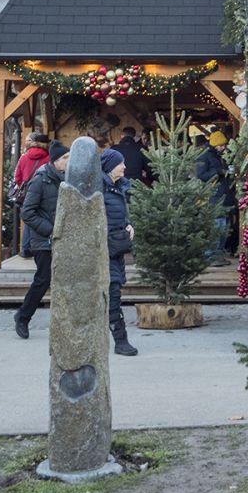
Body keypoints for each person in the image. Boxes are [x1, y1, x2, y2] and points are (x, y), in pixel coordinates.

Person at [13, 141, 70, 340]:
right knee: (43, 280)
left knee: (64, 280)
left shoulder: (65, 178)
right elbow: (27, 212)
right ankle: (23, 317)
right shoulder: (40, 180)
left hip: (63, 239)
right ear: (55, 161)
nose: (68, 161)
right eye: (65, 158)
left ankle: (65, 324)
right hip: (44, 241)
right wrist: (51, 230)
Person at [100, 149, 138, 357]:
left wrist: (128, 224)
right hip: (102, 250)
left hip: (115, 248)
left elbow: (120, 215)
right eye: (120, 163)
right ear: (109, 166)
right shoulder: (98, 188)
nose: (124, 166)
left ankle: (117, 339)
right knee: (111, 293)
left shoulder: (118, 188)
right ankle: (119, 340)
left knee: (113, 292)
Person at [195, 131, 235, 266]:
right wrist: (218, 172)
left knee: (224, 226)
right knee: (217, 225)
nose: (224, 147)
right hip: (214, 196)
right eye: (221, 145)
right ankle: (210, 255)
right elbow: (201, 175)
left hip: (223, 195)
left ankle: (218, 254)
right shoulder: (205, 156)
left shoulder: (219, 156)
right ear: (216, 144)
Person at [13, 132, 50, 257]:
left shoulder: (24, 157)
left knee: (28, 218)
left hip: (27, 193)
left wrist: (24, 185)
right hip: (45, 193)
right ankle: (40, 248)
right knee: (41, 220)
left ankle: (25, 249)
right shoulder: (48, 157)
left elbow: (17, 177)